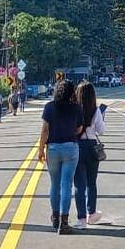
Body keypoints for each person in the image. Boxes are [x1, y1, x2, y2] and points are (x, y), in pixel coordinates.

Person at [37, 80, 82, 235]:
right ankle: (64, 222)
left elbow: (44, 130)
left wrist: (41, 149)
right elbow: (79, 128)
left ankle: (55, 217)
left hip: (53, 149)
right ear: (72, 92)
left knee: (54, 184)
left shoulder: (49, 107)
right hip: (70, 148)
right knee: (66, 185)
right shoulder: (76, 108)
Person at [74, 81, 105, 228]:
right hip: (92, 148)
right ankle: (91, 213)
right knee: (91, 183)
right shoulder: (96, 111)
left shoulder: (73, 110)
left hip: (77, 147)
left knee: (79, 184)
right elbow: (101, 131)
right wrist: (101, 117)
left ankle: (81, 219)